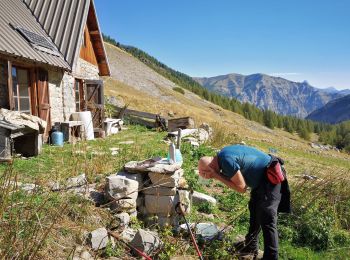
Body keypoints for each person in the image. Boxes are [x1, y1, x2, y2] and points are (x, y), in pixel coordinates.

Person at [198, 144, 290, 260]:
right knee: (254, 207)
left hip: (271, 175)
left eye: (207, 174)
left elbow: (242, 188)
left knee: (267, 216)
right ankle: (251, 246)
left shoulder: (226, 161)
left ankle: (271, 257)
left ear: (210, 168)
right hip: (261, 179)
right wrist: (217, 174)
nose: (208, 178)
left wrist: (217, 176)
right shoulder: (222, 154)